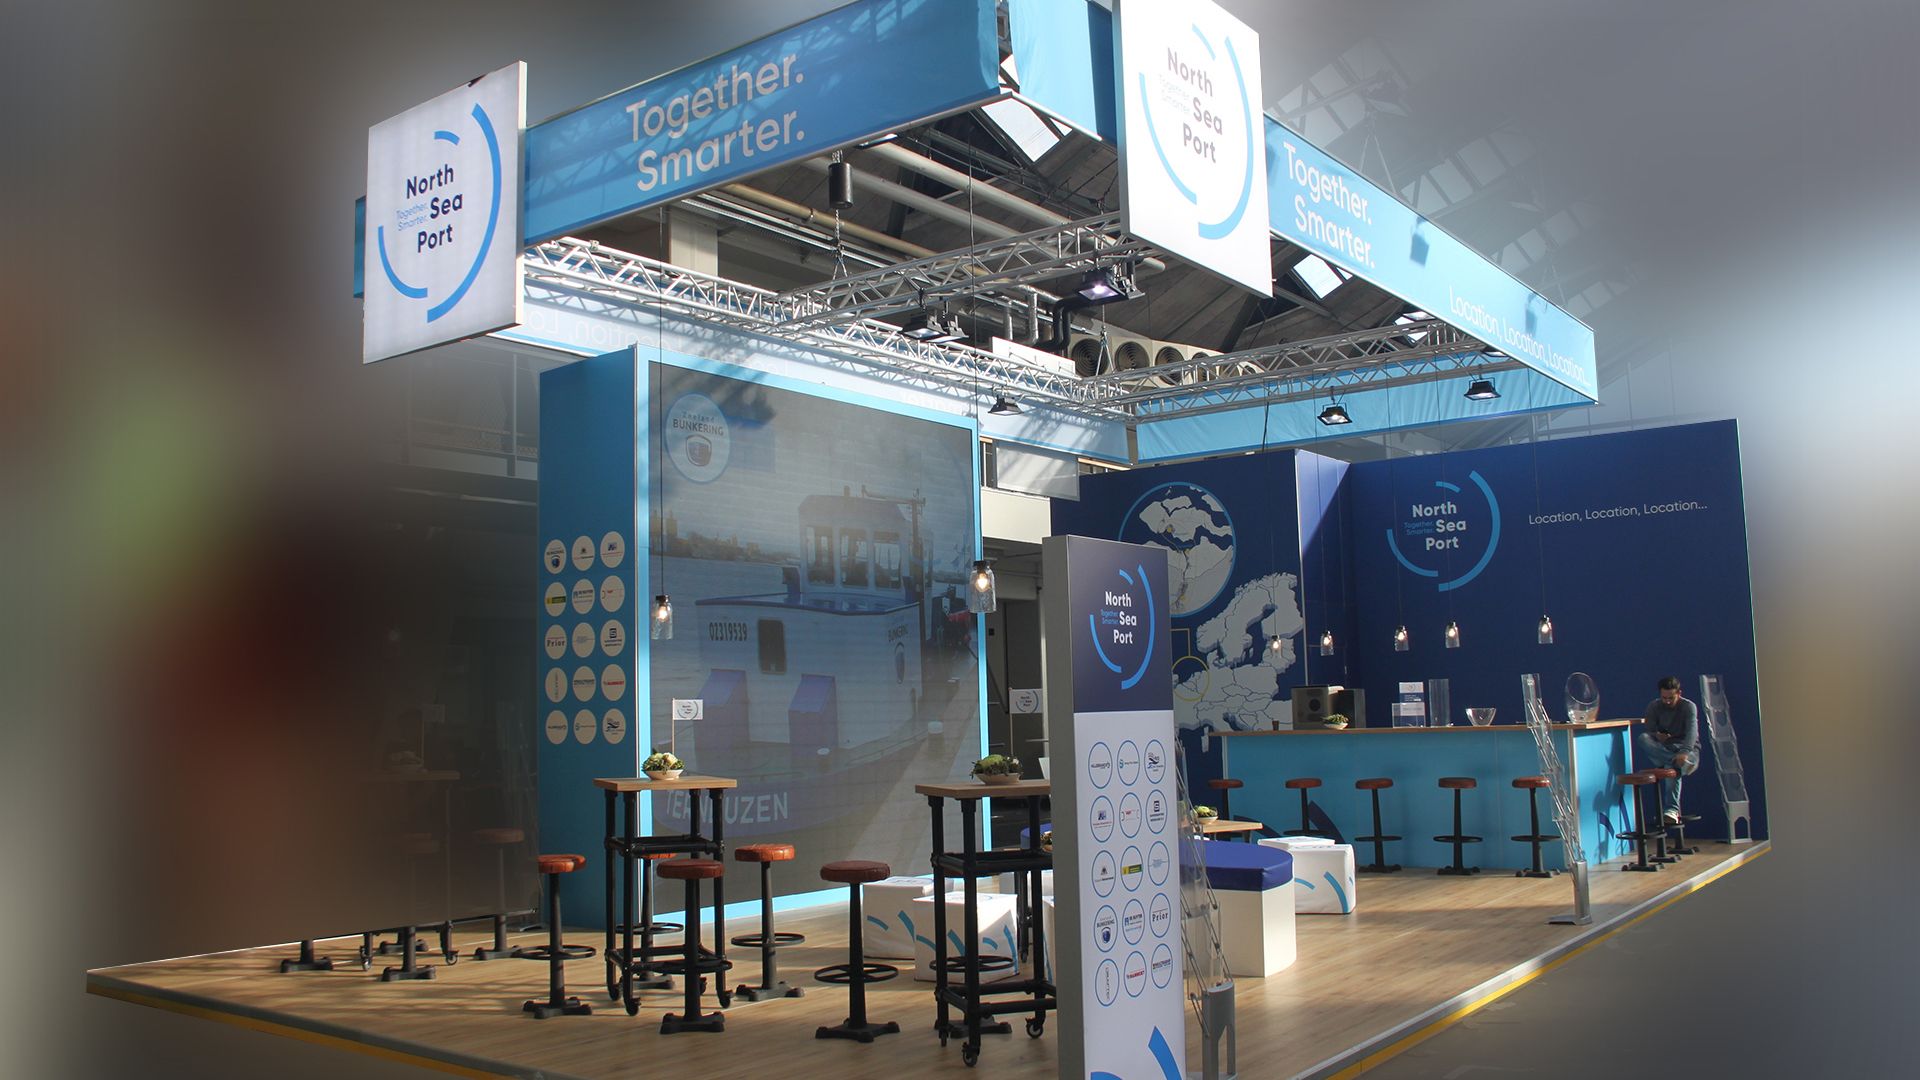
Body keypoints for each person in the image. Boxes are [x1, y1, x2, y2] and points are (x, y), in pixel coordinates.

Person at [1638, 676, 1699, 826]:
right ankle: (1677, 763)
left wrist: (1684, 752)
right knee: (1643, 738)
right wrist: (1657, 736)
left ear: (1679, 693)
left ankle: (1671, 810)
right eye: (1664, 698)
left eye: (1671, 698)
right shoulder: (1654, 706)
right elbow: (1649, 730)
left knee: (1670, 767)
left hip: (1687, 751)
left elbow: (1692, 733)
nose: (1667, 701)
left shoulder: (1688, 707)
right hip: (1664, 749)